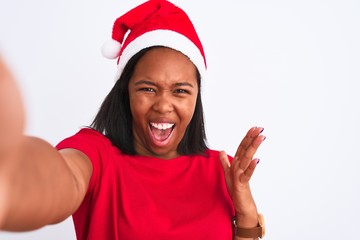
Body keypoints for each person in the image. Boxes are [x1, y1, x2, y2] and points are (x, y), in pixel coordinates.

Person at [0, 0, 266, 239]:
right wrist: (8, 178)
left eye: (180, 91)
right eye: (147, 88)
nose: (163, 105)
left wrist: (246, 216)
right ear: (125, 92)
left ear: (196, 97)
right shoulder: (98, 156)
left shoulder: (224, 172)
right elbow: (60, 179)